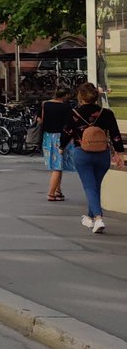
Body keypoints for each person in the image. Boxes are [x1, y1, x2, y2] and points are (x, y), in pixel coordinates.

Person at [60, 82, 124, 235]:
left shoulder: (74, 113)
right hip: (102, 154)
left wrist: (61, 147)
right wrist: (119, 153)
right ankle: (89, 217)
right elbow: (115, 134)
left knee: (89, 186)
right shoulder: (107, 113)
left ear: (80, 96)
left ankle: (98, 217)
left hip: (82, 152)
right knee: (95, 185)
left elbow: (67, 132)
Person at [40, 88, 73, 201]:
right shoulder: (66, 107)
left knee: (56, 165)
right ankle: (51, 193)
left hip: (48, 136)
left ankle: (58, 190)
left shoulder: (46, 104)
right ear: (65, 95)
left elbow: (40, 120)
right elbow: (69, 123)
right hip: (60, 137)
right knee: (58, 167)